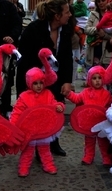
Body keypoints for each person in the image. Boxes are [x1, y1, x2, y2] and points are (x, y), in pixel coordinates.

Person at [16, 0, 73, 156]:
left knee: (55, 110)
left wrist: (67, 81)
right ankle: (36, 147)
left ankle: (54, 143)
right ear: (56, 16)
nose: (70, 15)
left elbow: (67, 57)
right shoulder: (33, 30)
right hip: (36, 80)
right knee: (37, 114)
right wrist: (28, 85)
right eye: (67, 12)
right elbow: (24, 60)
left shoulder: (66, 30)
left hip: (56, 78)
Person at [10, 67, 65, 176]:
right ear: (29, 83)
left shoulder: (48, 94)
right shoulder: (24, 97)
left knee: (45, 149)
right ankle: (23, 168)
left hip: (44, 128)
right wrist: (13, 125)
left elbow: (53, 104)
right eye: (35, 83)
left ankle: (48, 165)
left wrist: (59, 106)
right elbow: (17, 112)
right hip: (29, 129)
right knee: (27, 151)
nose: (39, 86)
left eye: (41, 82)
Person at [65, 66, 112, 167]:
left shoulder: (106, 94)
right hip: (89, 123)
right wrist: (69, 94)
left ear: (103, 79)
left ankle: (107, 158)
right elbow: (77, 98)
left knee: (104, 141)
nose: (97, 81)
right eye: (94, 78)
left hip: (102, 123)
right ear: (89, 79)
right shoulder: (85, 92)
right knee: (89, 141)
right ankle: (88, 156)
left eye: (99, 78)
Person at [84, 0, 112, 71]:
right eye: (98, 1)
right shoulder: (93, 14)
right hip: (93, 52)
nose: (101, 3)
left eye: (103, 0)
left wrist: (104, 35)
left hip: (108, 54)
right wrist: (96, 30)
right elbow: (86, 29)